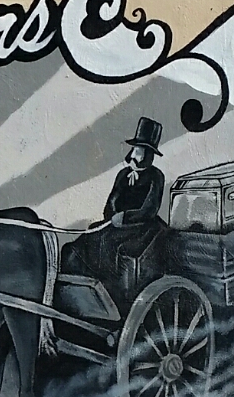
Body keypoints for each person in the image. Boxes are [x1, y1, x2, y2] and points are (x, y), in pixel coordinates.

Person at [61, 116, 167, 295]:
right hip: (117, 223)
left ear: (148, 154)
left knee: (111, 244)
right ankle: (82, 283)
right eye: (135, 149)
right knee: (89, 236)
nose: (134, 154)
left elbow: (149, 209)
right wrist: (113, 215)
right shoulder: (123, 174)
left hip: (142, 227)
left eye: (139, 150)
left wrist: (125, 217)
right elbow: (111, 202)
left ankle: (109, 288)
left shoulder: (156, 177)